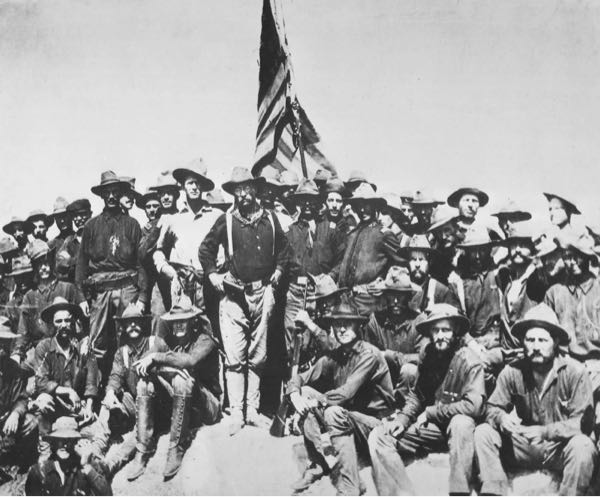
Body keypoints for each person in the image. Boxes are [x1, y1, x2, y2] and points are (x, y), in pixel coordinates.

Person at [200, 167, 289, 435]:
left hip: (263, 294)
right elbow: (205, 249)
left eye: (247, 188)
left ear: (255, 189)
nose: (243, 194)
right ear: (234, 193)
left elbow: (285, 251)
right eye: (238, 190)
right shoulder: (226, 221)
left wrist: (278, 271)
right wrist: (212, 274)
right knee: (235, 356)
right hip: (233, 296)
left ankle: (252, 410)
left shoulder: (271, 220)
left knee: (258, 356)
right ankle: (236, 413)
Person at [474, 304, 597, 496]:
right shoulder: (513, 371)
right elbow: (491, 408)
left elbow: (583, 424)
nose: (536, 346)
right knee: (483, 432)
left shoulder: (575, 372)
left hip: (558, 448)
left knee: (583, 445)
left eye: (542, 340)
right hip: (525, 444)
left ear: (555, 342)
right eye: (530, 340)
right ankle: (494, 491)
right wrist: (501, 418)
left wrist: (546, 432)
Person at [368, 303, 485, 495]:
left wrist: (431, 412)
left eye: (445, 330)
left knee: (461, 422)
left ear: (455, 331)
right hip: (432, 429)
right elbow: (417, 394)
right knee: (379, 436)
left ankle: (459, 491)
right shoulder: (428, 354)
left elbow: (474, 406)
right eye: (435, 330)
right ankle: (400, 492)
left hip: (459, 434)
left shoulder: (470, 361)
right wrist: (403, 418)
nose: (440, 335)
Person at [288, 298, 394, 495]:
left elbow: (346, 393)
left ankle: (350, 486)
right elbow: (302, 377)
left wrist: (316, 401)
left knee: (333, 411)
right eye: (337, 324)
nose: (342, 329)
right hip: (349, 422)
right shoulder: (336, 355)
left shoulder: (369, 355)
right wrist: (295, 394)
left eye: (348, 324)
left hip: (376, 427)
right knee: (307, 393)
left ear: (358, 326)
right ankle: (319, 464)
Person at [128, 298, 221, 480]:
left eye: (183, 321)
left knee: (182, 380)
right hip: (181, 407)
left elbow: (190, 361)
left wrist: (158, 359)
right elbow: (139, 365)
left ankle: (176, 447)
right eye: (175, 321)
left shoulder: (205, 340)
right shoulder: (166, 341)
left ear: (193, 321)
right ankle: (143, 450)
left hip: (207, 407)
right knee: (144, 383)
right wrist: (165, 365)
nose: (178, 325)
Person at [76, 171, 147, 384]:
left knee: (129, 339)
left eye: (116, 192)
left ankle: (128, 390)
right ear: (102, 196)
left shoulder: (132, 224)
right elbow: (81, 264)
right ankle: (93, 395)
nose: (112, 196)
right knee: (97, 343)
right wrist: (80, 297)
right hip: (101, 291)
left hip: (128, 289)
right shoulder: (91, 226)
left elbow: (141, 263)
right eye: (108, 192)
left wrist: (142, 297)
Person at [91, 303, 169, 473]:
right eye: (128, 322)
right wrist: (110, 392)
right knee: (108, 400)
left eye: (136, 321)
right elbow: (115, 376)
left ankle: (110, 465)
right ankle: (96, 450)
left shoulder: (156, 343)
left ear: (143, 324)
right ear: (124, 327)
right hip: (135, 402)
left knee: (140, 425)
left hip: (159, 407)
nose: (133, 325)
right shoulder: (122, 352)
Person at [284, 179, 345, 355]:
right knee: (292, 340)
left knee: (318, 339)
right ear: (298, 203)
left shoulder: (331, 229)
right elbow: (283, 262)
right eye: (303, 200)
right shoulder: (290, 232)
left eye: (311, 200)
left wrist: (329, 278)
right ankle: (292, 378)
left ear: (318, 202)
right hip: (295, 292)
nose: (308, 204)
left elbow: (342, 260)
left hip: (321, 294)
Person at [32, 297, 99, 459]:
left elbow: (92, 378)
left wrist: (89, 405)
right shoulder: (44, 347)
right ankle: (45, 448)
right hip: (54, 405)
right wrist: (67, 391)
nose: (63, 325)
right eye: (59, 321)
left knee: (94, 434)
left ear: (73, 322)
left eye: (67, 320)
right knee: (44, 399)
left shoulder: (82, 348)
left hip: (75, 408)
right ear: (52, 324)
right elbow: (41, 382)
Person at [152, 159, 221, 311]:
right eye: (190, 183)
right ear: (183, 186)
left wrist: (216, 273)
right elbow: (159, 251)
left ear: (203, 187)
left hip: (209, 287)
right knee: (181, 331)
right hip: (182, 288)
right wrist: (168, 270)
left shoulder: (216, 217)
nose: (195, 187)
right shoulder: (173, 219)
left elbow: (226, 251)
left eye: (198, 183)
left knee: (210, 331)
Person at [13, 240, 86, 370]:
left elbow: (81, 323)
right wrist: (17, 353)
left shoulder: (68, 288)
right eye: (39, 265)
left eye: (46, 263)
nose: (43, 268)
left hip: (67, 345)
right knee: (20, 370)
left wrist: (83, 341)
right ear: (34, 268)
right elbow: (22, 331)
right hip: (40, 349)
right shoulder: (30, 296)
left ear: (52, 264)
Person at [543, 236, 600, 403]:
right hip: (563, 365)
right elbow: (545, 334)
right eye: (567, 257)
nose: (573, 261)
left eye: (578, 256)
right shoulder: (555, 292)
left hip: (596, 365)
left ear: (589, 258)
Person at [331, 183, 401, 315]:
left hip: (369, 303)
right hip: (346, 302)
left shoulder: (383, 234)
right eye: (358, 205)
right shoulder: (351, 235)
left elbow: (402, 266)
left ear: (375, 206)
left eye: (366, 205)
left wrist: (386, 284)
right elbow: (341, 263)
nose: (362, 210)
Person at [363, 266, 424, 403]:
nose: (396, 301)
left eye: (400, 295)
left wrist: (392, 356)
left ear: (408, 296)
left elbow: (423, 357)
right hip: (382, 381)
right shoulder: (375, 321)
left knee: (410, 371)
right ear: (385, 296)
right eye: (391, 295)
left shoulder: (419, 322)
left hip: (411, 388)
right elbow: (366, 354)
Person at [25, 416, 112, 496]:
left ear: (76, 442)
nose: (65, 445)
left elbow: (107, 494)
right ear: (53, 442)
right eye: (60, 440)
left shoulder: (86, 466)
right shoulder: (39, 472)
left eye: (69, 440)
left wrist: (86, 465)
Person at [0, 320, 38, 468]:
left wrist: (15, 413)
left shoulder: (13, 367)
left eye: (6, 341)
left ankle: (15, 461)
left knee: (31, 422)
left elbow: (21, 398)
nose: (2, 346)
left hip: (5, 419)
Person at [399, 234, 460, 311]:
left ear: (429, 262)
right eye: (413, 259)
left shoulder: (440, 290)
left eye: (421, 259)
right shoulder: (401, 288)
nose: (417, 265)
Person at [57, 198, 92, 283]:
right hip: (77, 287)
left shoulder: (98, 235)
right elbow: (60, 265)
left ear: (90, 214)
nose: (79, 218)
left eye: (82, 214)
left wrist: (71, 261)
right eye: (75, 216)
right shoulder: (69, 241)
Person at [3, 255, 34, 333]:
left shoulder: (39, 296)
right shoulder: (11, 306)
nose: (22, 281)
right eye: (18, 277)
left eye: (25, 276)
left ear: (31, 275)